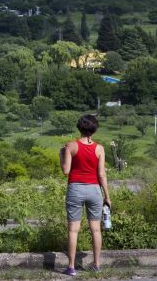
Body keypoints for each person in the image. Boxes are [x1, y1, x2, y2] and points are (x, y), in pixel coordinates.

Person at [58, 114, 111, 276]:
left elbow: (66, 171)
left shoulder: (71, 146)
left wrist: (61, 155)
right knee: (96, 229)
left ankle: (72, 267)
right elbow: (101, 174)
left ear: (79, 128)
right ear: (94, 130)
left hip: (75, 189)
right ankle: (96, 265)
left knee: (73, 230)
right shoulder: (100, 148)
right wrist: (107, 196)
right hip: (94, 190)